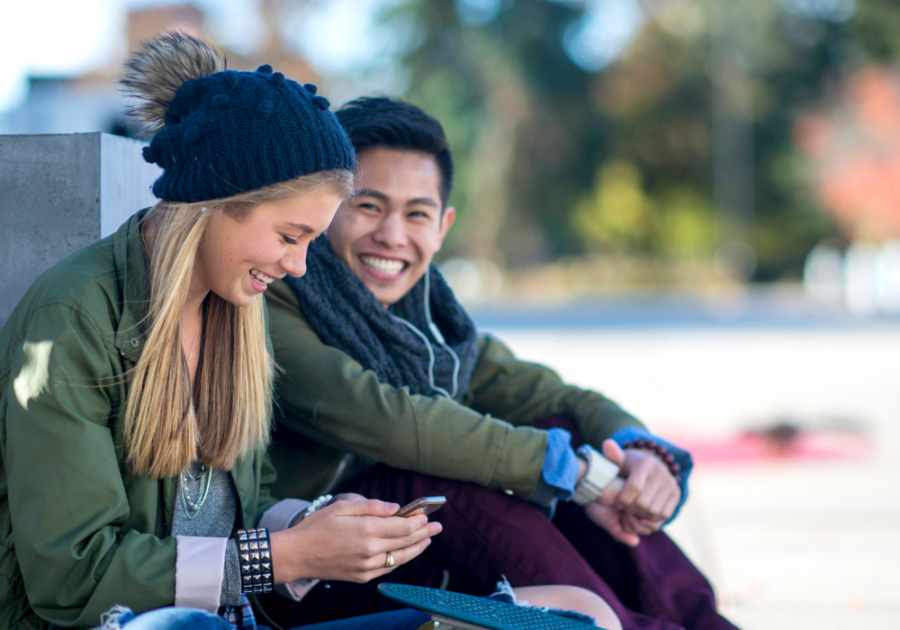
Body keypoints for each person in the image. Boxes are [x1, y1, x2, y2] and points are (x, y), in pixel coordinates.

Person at [264, 97, 739, 630]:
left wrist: (636, 454)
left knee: (555, 428)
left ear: (442, 227)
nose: (393, 235)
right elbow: (385, 419)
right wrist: (575, 473)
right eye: (368, 207)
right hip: (307, 570)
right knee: (444, 471)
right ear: (325, 208)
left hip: (401, 551)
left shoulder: (433, 324)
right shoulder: (279, 293)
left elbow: (556, 398)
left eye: (416, 213)